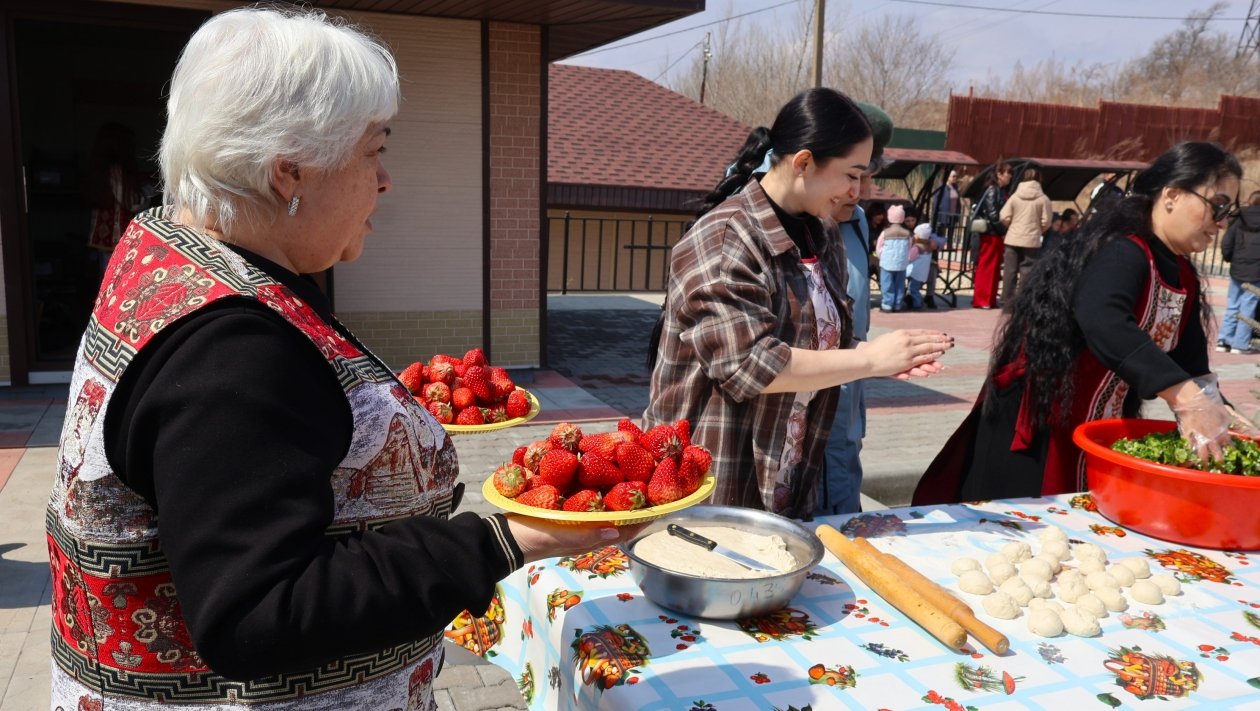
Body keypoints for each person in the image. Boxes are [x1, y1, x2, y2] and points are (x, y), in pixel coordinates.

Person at [46, 9, 628, 710]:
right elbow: (259, 611)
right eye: (372, 150)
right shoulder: (231, 350)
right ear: (289, 171)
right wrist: (505, 538)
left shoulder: (165, 245)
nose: (385, 179)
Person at [643, 87, 952, 519]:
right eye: (852, 174)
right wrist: (869, 362)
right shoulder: (728, 236)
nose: (858, 191)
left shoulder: (820, 235)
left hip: (787, 469)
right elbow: (748, 366)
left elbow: (813, 344)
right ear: (804, 162)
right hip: (712, 477)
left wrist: (877, 354)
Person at [914, 142, 1251, 505]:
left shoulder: (1182, 272)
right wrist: (1184, 398)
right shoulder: (1123, 251)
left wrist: (1219, 412)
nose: (1221, 222)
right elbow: (1104, 321)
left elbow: (1191, 363)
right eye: (1216, 205)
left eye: (1228, 211)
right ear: (1171, 195)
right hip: (1043, 423)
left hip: (1098, 425)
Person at [816, 100, 894, 517]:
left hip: (846, 408)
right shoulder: (766, 225)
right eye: (852, 177)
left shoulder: (859, 220)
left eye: (868, 178)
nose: (860, 193)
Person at [999, 164, 1052, 304]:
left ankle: (1006, 301)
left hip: (1013, 238)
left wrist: (1011, 226)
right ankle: (1022, 301)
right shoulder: (1043, 199)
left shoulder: (1015, 196)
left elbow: (1004, 216)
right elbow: (1046, 221)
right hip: (1032, 239)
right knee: (1027, 271)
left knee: (1010, 271)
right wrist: (1039, 229)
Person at [1217, 190, 1260, 354]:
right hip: (1257, 270)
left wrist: (1229, 258)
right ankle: (1240, 344)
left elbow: (1227, 241)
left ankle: (1223, 340)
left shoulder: (1239, 217)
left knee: (1232, 304)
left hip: (1238, 266)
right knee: (1248, 306)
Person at [970, 161, 1013, 309]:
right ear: (999, 174)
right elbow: (993, 213)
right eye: (1008, 173)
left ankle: (989, 298)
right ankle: (982, 299)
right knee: (987, 265)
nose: (1010, 177)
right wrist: (1002, 231)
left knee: (994, 267)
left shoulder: (1000, 190)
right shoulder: (992, 190)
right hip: (991, 233)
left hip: (995, 233)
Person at [877, 205, 912, 312]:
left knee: (887, 284)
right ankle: (897, 304)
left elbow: (879, 247)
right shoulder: (907, 234)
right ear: (902, 218)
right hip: (901, 264)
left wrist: (880, 257)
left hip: (887, 263)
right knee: (900, 285)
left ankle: (887, 304)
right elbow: (910, 249)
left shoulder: (885, 233)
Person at [907, 222, 945, 311]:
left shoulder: (917, 248)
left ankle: (917, 303)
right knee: (915, 288)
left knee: (913, 289)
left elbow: (909, 258)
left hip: (915, 272)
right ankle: (917, 301)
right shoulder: (929, 248)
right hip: (923, 273)